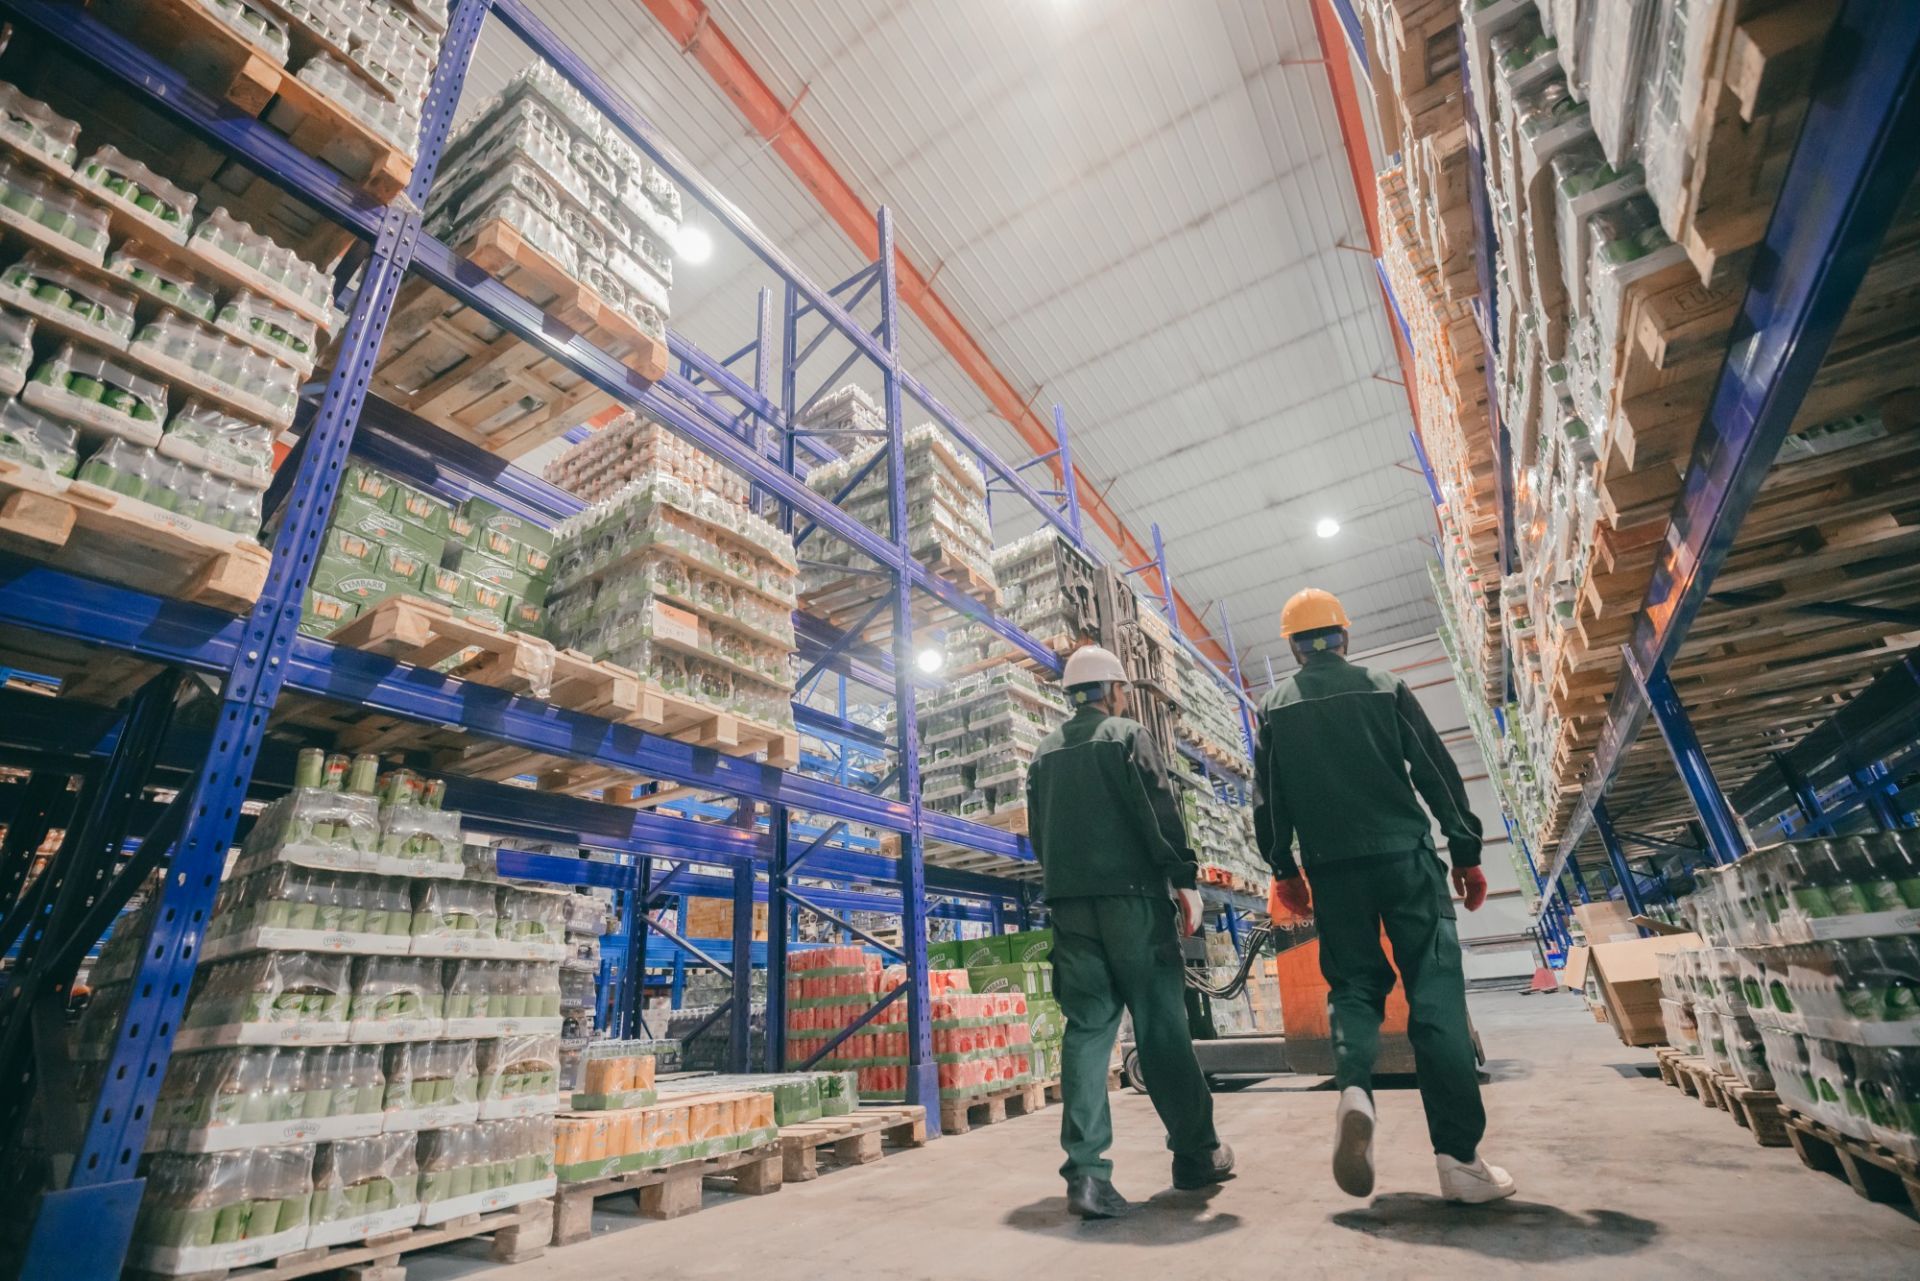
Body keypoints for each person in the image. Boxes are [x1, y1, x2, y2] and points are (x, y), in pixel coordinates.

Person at [1253, 589, 1514, 1205]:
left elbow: (1269, 798)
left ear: (1293, 647)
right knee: (1435, 991)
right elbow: (1434, 771)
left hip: (1332, 873)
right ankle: (1459, 1161)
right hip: (1406, 863)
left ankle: (1354, 1088)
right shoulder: (1384, 687)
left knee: (1353, 988)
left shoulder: (1274, 708)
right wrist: (1466, 850)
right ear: (1343, 635)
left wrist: (1284, 868)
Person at [1026, 643, 1233, 1220]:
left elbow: (1039, 835)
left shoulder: (1043, 753)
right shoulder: (1126, 736)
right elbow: (1158, 810)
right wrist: (1184, 879)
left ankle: (1086, 1175)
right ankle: (1195, 1154)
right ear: (1114, 690)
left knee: (1088, 1032)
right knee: (1162, 1028)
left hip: (1071, 908)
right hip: (1135, 904)